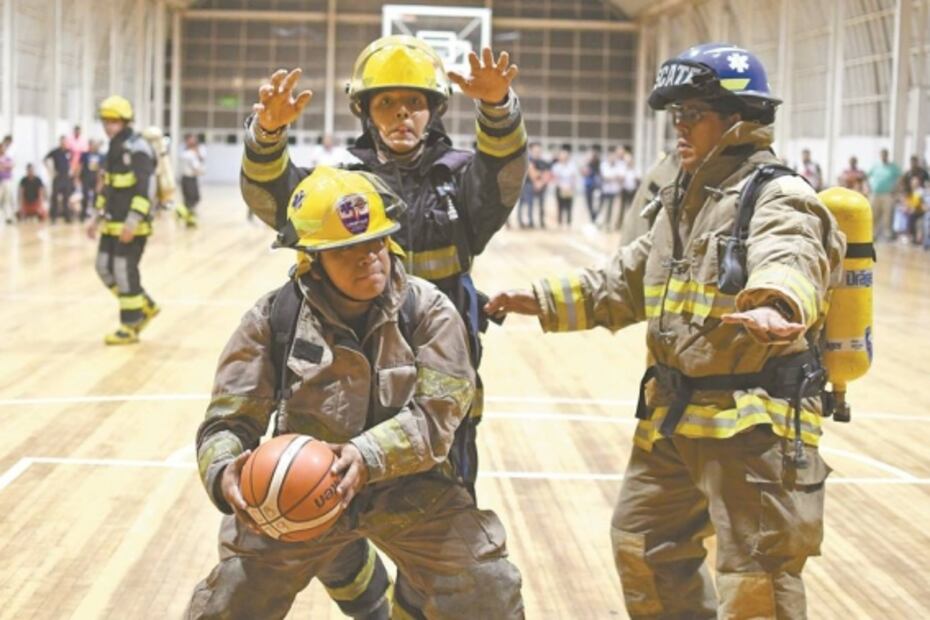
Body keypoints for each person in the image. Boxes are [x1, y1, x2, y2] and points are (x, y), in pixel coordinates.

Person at [486, 43, 846, 619]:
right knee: (643, 545)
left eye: (692, 114)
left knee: (757, 578)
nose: (678, 126)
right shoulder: (681, 199)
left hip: (752, 425)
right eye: (674, 114)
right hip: (673, 417)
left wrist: (779, 302)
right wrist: (538, 300)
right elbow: (624, 281)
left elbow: (792, 252)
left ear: (738, 119)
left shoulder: (779, 195)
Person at [240, 36, 527, 618]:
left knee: (437, 539)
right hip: (343, 386)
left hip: (434, 392)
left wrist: (498, 108)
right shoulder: (340, 180)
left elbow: (503, 172)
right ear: (365, 112)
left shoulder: (460, 183)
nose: (402, 114)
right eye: (387, 102)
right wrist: (265, 136)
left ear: (434, 110)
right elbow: (277, 198)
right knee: (318, 514)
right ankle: (370, 603)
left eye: (414, 103)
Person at [186, 166, 524, 620]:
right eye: (349, 249)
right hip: (297, 494)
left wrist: (365, 456)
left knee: (486, 586)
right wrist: (225, 471)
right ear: (314, 258)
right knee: (232, 598)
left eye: (377, 242)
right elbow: (228, 420)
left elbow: (438, 418)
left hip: (411, 490)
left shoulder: (430, 312)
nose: (370, 257)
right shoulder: (272, 318)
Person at [86, 95, 160, 345]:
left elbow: (146, 187)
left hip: (132, 226)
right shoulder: (113, 147)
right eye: (105, 120)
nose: (108, 125)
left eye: (114, 121)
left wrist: (132, 222)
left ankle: (130, 324)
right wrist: (95, 217)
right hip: (111, 222)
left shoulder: (138, 148)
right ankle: (143, 304)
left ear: (125, 121)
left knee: (123, 270)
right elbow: (106, 185)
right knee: (103, 267)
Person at [866, 148, 901, 242]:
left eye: (885, 154)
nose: (884, 156)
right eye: (882, 154)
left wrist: (895, 189)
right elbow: (867, 176)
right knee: (874, 214)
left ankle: (887, 234)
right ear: (880, 155)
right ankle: (872, 234)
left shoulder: (893, 167)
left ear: (887, 155)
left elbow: (900, 178)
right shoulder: (876, 166)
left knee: (887, 215)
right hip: (875, 194)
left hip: (887, 194)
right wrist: (868, 187)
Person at [44, 135, 73, 223]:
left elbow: (72, 162)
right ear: (60, 142)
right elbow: (45, 159)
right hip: (58, 176)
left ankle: (67, 217)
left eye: (65, 142)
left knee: (66, 198)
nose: (63, 143)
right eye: (62, 142)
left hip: (66, 177)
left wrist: (71, 171)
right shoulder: (55, 152)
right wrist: (51, 171)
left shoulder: (69, 152)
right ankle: (53, 217)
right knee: (55, 197)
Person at [178, 133, 205, 227]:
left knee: (188, 200)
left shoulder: (185, 153)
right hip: (190, 179)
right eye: (192, 139)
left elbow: (201, 159)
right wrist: (201, 171)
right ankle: (180, 211)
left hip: (185, 179)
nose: (194, 141)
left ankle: (189, 220)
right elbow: (196, 167)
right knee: (194, 198)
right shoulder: (190, 154)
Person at [550, 147, 577, 227]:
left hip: (569, 188)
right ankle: (560, 223)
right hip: (559, 188)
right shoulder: (556, 166)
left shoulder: (572, 165)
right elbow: (555, 178)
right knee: (560, 206)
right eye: (562, 155)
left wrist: (571, 187)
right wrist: (561, 186)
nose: (564, 157)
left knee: (569, 206)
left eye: (565, 155)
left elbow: (574, 177)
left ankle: (569, 223)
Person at [78, 140, 104, 222]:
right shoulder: (85, 155)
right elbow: (80, 166)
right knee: (85, 196)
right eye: (91, 145)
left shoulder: (100, 155)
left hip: (95, 178)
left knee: (96, 197)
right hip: (86, 178)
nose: (93, 146)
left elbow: (101, 168)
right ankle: (83, 215)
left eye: (94, 145)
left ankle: (95, 215)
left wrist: (100, 180)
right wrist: (77, 177)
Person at [582, 146, 602, 223]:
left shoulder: (597, 164)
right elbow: (584, 172)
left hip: (596, 187)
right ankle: (592, 219)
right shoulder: (587, 164)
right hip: (588, 187)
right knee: (589, 204)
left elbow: (597, 175)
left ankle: (595, 218)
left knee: (596, 204)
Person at [0, 141, 13, 223]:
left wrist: (4, 166)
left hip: (7, 180)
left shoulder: (8, 158)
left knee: (7, 199)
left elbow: (10, 166)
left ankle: (8, 217)